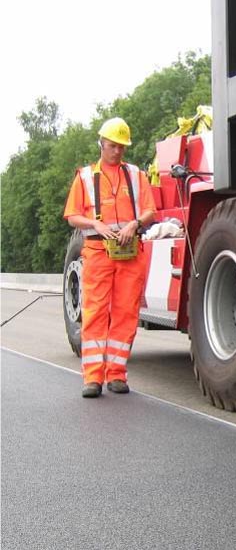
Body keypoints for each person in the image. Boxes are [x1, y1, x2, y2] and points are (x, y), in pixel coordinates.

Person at [63, 118, 156, 398]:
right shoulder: (85, 177)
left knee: (126, 314)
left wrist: (135, 224)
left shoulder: (136, 176)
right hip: (97, 251)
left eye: (122, 147)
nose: (117, 151)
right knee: (95, 313)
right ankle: (92, 378)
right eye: (113, 146)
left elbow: (151, 212)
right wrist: (95, 224)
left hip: (130, 252)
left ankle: (116, 374)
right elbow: (71, 216)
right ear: (101, 144)